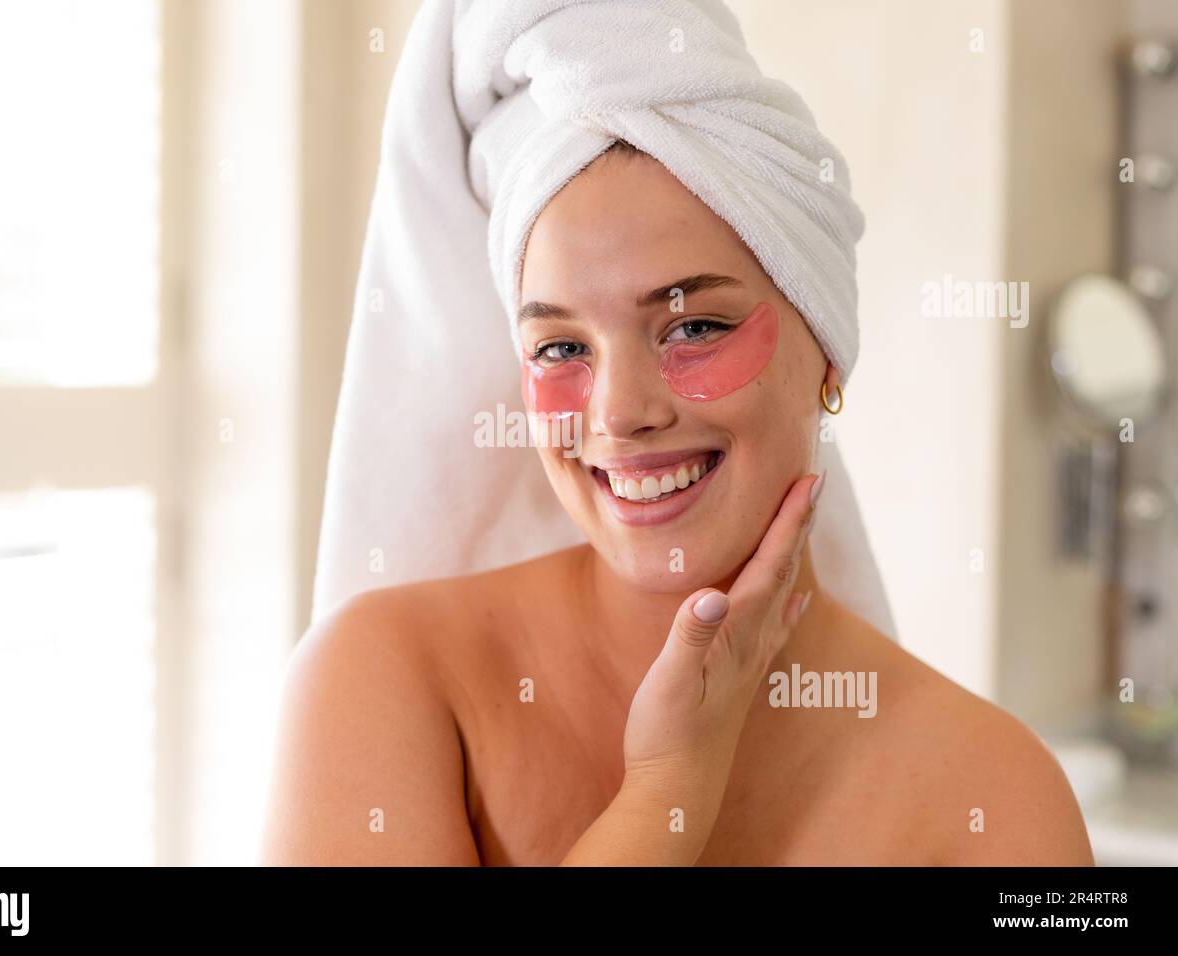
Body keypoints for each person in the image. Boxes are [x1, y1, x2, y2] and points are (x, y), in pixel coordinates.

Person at [260, 0, 1094, 866]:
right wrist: (669, 789)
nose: (619, 413)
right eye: (560, 346)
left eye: (693, 327)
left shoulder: (996, 797)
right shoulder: (387, 682)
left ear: (829, 354)